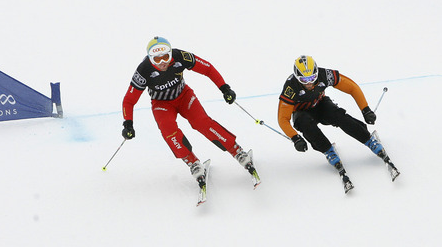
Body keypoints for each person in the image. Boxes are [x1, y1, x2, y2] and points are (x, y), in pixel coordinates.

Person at [122, 36, 258, 187]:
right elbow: (129, 100)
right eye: (157, 59)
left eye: (166, 57)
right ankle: (192, 162)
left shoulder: (180, 56)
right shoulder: (144, 70)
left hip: (184, 96)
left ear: (171, 53)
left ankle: (236, 150)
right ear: (150, 58)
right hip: (162, 104)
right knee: (167, 129)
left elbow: (207, 68)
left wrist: (224, 88)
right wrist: (128, 123)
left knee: (201, 122)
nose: (162, 63)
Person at [277, 55, 399, 191]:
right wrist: (296, 138)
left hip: (321, 105)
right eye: (304, 80)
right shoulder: (290, 86)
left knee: (338, 116)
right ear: (297, 77)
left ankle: (368, 139)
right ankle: (328, 150)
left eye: (312, 78)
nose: (310, 83)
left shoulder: (324, 75)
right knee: (305, 124)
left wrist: (365, 110)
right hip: (302, 112)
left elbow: (352, 87)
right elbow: (283, 119)